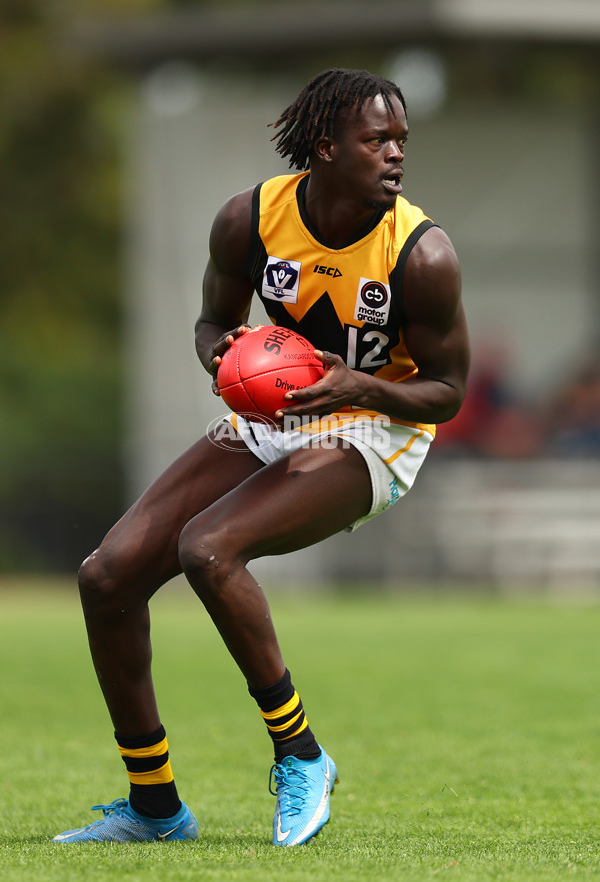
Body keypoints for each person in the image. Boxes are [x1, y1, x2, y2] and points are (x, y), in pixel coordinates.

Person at [52, 68, 469, 847]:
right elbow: (213, 322)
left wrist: (361, 389)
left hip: (376, 430)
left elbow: (447, 391)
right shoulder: (250, 218)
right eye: (377, 139)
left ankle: (301, 754)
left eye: (401, 140)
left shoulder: (421, 251)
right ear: (325, 146)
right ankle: (154, 806)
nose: (395, 155)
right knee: (106, 577)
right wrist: (229, 360)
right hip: (277, 414)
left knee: (210, 549)